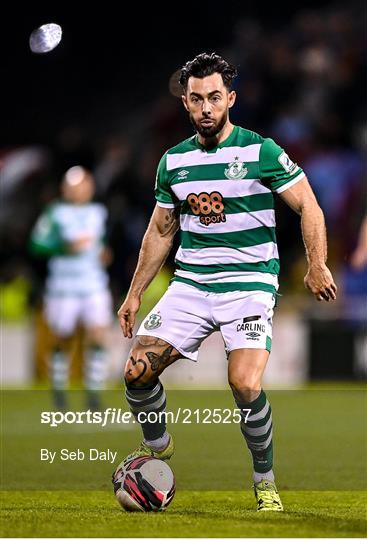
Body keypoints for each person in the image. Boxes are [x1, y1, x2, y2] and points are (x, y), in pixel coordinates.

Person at [112, 53, 337, 512]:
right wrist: (134, 293)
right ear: (186, 105)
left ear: (230, 98)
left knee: (244, 384)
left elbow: (309, 206)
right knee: (136, 371)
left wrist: (318, 264)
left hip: (250, 284)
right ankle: (158, 448)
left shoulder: (261, 151)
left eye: (215, 97)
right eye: (197, 99)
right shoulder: (173, 162)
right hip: (192, 285)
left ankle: (264, 480)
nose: (206, 107)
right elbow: (160, 231)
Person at [30, 166, 113, 410]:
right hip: (63, 287)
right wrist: (62, 246)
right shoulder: (55, 213)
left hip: (93, 284)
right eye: (76, 186)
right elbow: (37, 244)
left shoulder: (99, 212)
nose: (81, 190)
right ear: (66, 189)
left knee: (98, 335)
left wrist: (104, 253)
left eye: (85, 185)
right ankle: (59, 389)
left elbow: (100, 242)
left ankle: (94, 393)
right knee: (62, 338)